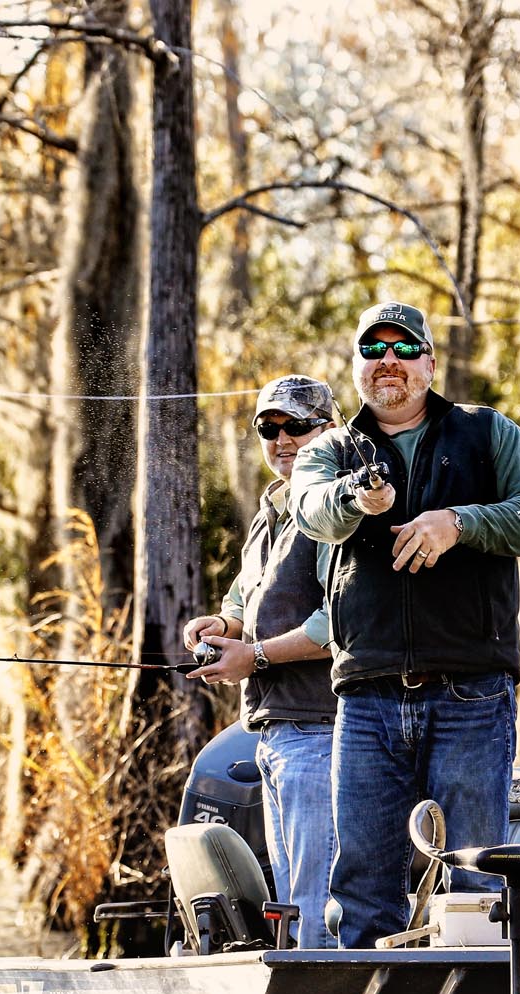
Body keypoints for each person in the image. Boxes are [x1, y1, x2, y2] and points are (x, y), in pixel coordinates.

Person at [289, 300, 520, 949]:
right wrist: (357, 498)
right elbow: (310, 513)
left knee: (476, 882)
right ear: (357, 366)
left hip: (472, 693)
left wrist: (459, 523)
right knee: (361, 885)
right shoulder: (329, 450)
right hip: (366, 700)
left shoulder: (487, 431)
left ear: (430, 362)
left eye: (405, 347)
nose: (390, 360)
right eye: (374, 348)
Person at [182, 374, 340, 949]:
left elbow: (337, 625)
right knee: (293, 905)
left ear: (331, 429)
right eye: (270, 428)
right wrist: (221, 628)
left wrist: (254, 656)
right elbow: (244, 602)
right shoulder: (270, 510)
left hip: (324, 731)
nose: (283, 439)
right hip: (273, 735)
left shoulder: (333, 514)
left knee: (316, 905)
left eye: (298, 426)